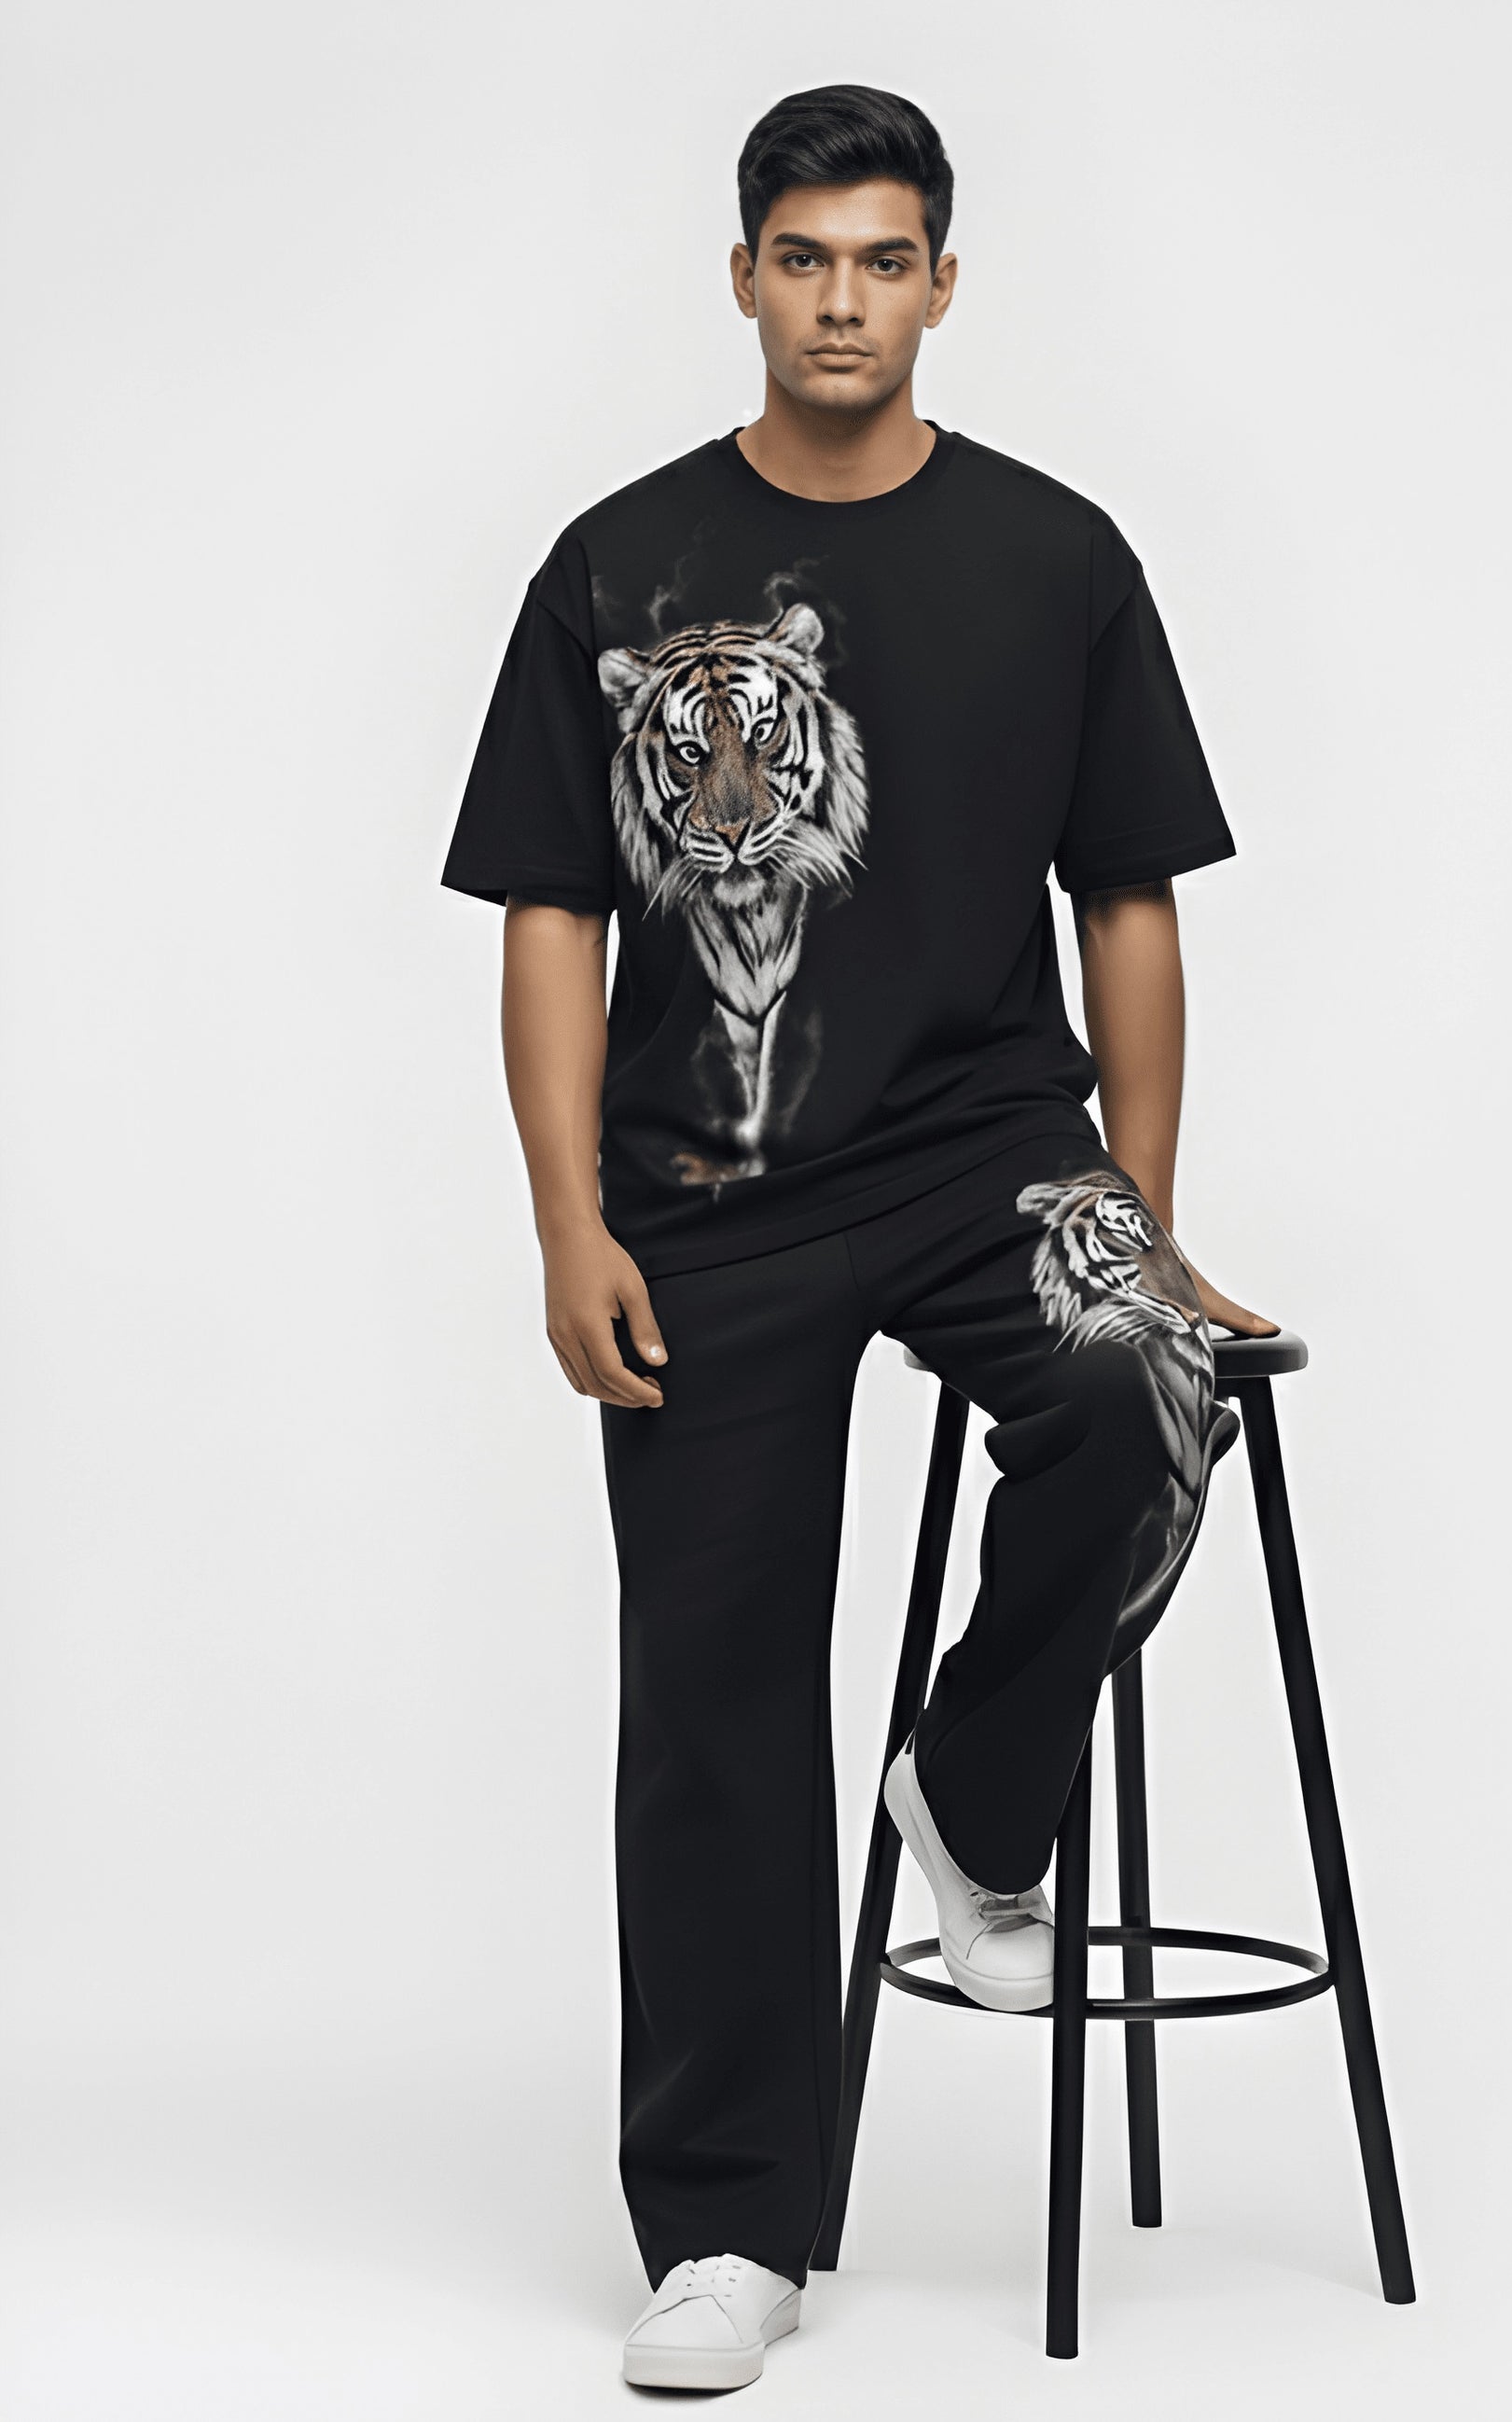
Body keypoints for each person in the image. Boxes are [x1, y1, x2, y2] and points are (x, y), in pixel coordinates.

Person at [440, 80, 1280, 2392]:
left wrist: (1145, 1217)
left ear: (940, 281)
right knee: (712, 1692)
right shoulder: (614, 563)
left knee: (1146, 1377)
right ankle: (729, 2228)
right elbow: (546, 911)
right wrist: (564, 1219)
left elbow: (1128, 898)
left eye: (881, 259)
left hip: (990, 1143)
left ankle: (973, 1798)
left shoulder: (1056, 553)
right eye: (802, 259)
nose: (840, 301)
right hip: (704, 1182)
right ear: (743, 278)